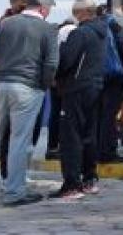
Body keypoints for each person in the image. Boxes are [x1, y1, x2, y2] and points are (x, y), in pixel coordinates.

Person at [0, 0, 57, 206]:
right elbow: (52, 63)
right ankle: (15, 191)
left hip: (1, 84)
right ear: (43, 8)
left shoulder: (6, 23)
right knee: (19, 139)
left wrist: (0, 71)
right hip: (28, 87)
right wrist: (42, 86)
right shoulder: (47, 28)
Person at [50, 0, 107, 200]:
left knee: (70, 136)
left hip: (76, 88)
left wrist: (55, 76)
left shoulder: (80, 33)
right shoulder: (103, 33)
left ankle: (72, 184)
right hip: (96, 86)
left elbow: (65, 61)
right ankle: (90, 179)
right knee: (89, 134)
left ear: (82, 13)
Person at [98, 0, 123, 164]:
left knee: (102, 113)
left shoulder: (101, 20)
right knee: (111, 114)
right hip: (117, 75)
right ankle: (108, 151)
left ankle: (99, 149)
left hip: (100, 74)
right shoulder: (119, 22)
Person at [45, 20, 77, 161]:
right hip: (65, 81)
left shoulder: (55, 36)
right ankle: (61, 146)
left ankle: (52, 147)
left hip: (54, 80)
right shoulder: (72, 34)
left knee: (55, 113)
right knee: (65, 115)